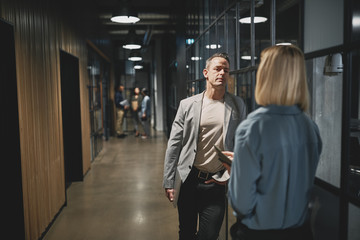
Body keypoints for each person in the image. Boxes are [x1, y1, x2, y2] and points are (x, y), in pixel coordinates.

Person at [224, 45, 322, 240]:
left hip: (259, 234)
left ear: (265, 76)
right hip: (300, 232)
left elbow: (242, 203)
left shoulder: (251, 128)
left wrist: (236, 170)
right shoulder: (310, 127)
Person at [162, 53, 247, 240]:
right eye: (217, 69)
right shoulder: (188, 105)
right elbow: (174, 144)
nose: (222, 73)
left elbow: (243, 144)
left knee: (209, 235)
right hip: (188, 180)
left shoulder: (237, 104)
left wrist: (230, 175)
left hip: (216, 182)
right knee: (186, 233)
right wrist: (169, 181)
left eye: (226, 70)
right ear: (206, 73)